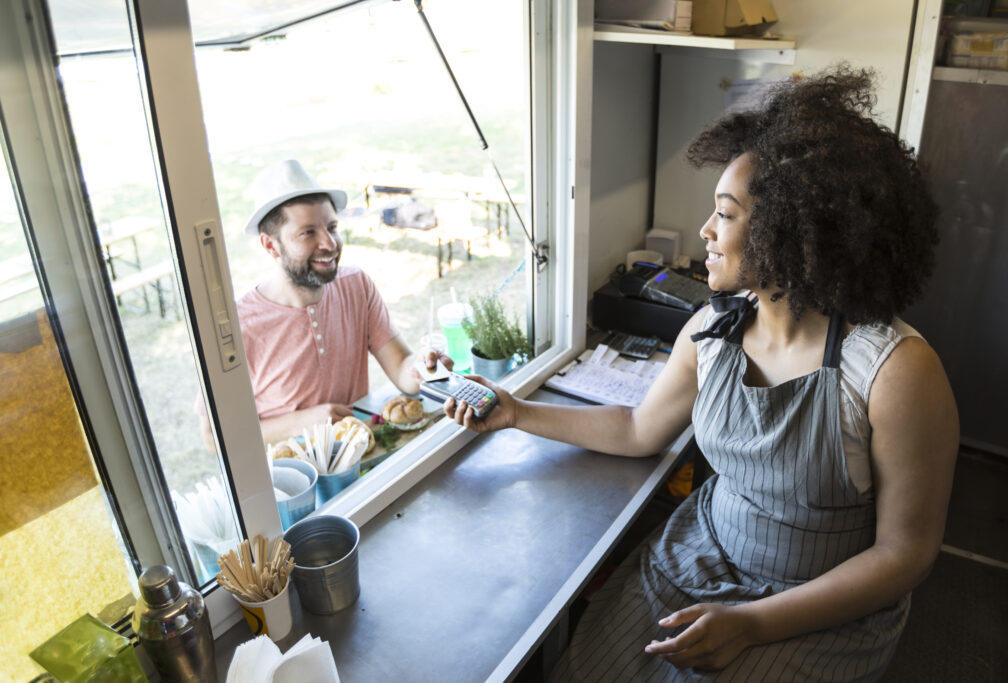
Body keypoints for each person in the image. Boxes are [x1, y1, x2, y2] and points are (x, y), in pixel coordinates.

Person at [444, 67, 959, 681]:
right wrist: (516, 412)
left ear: (791, 232)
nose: (705, 232)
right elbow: (638, 429)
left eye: (726, 215)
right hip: (701, 557)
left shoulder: (894, 371)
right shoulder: (712, 330)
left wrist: (753, 623)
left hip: (823, 606)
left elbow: (905, 554)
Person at [201, 159, 450, 448]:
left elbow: (402, 370)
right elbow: (212, 438)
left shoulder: (356, 285)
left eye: (331, 226)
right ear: (270, 246)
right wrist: (302, 423)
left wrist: (422, 367)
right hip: (292, 471)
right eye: (308, 232)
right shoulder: (238, 327)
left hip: (362, 455)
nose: (330, 243)